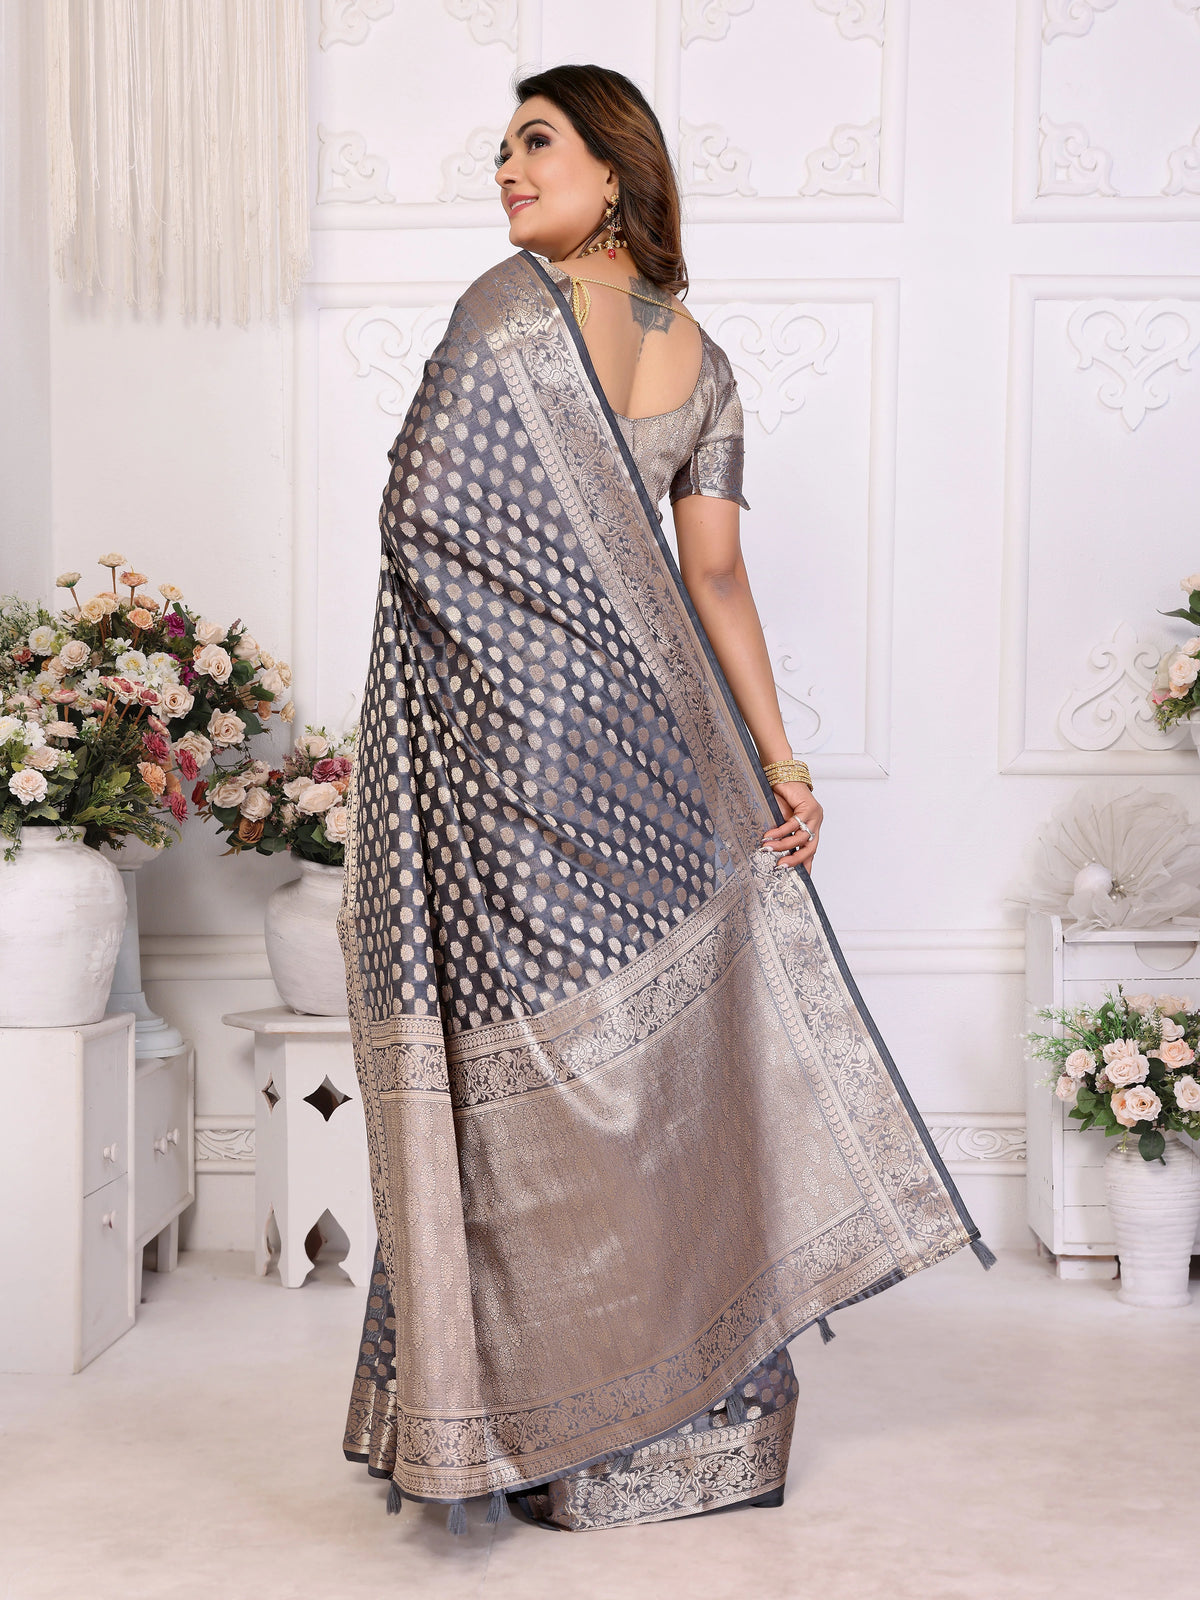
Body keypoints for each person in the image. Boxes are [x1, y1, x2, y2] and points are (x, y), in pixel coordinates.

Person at [337, 63, 995, 1536]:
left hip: (517, 760)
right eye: (500, 151)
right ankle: (693, 1427)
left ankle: (547, 1430)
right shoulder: (703, 358)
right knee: (655, 1086)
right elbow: (713, 580)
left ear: (614, 171)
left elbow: (423, 521)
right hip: (661, 760)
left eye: (536, 144)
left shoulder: (504, 315)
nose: (504, 173)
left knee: (542, 1088)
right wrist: (781, 766)